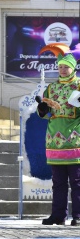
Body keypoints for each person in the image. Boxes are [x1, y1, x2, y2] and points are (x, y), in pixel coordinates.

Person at [36, 51, 80, 226]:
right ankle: (58, 215)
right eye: (60, 66)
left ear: (73, 68)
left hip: (76, 138)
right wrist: (42, 108)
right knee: (58, 182)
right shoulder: (51, 88)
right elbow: (45, 113)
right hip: (55, 140)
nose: (62, 69)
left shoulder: (78, 86)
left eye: (66, 67)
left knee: (77, 181)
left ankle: (78, 215)